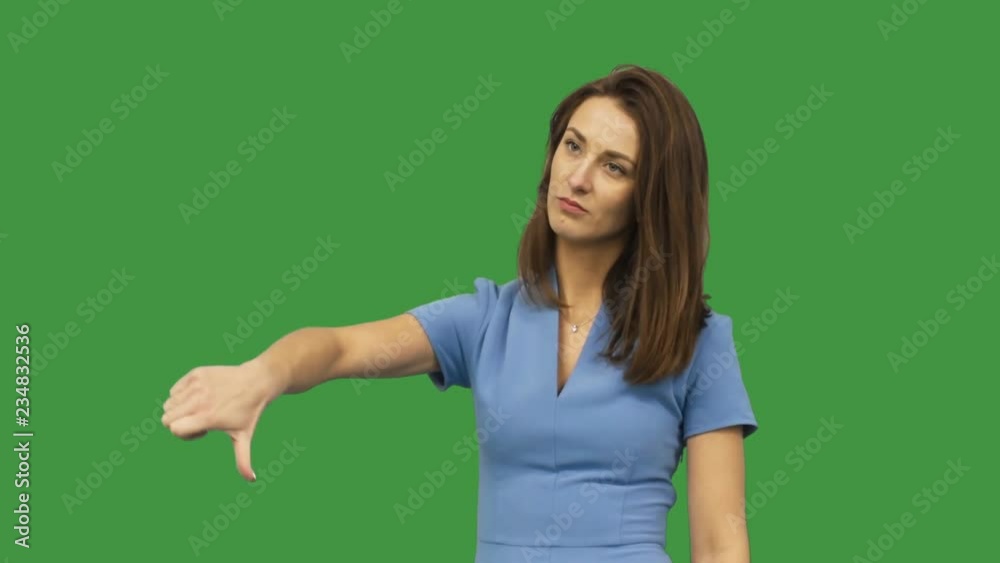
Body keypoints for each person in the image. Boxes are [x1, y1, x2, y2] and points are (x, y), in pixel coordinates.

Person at [162, 64, 759, 563]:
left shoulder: (697, 341)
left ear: (651, 198)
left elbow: (719, 546)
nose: (577, 177)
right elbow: (342, 347)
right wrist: (263, 374)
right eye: (573, 146)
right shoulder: (485, 320)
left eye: (614, 166)